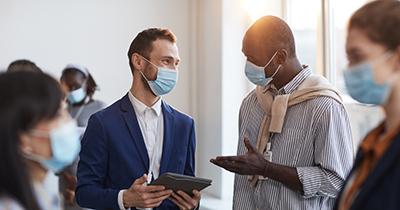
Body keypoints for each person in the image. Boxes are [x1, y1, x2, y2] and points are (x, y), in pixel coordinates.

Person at [210, 15, 354, 210]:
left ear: (280, 57)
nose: (248, 65)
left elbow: (338, 181)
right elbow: (245, 181)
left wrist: (267, 169)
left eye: (253, 59)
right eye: (246, 57)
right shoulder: (251, 103)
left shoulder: (324, 106)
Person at [76, 28, 201, 210]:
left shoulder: (185, 124)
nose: (173, 71)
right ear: (138, 62)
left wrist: (193, 205)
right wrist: (125, 198)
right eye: (166, 61)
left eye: (176, 64)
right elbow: (84, 192)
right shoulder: (102, 123)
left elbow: (188, 187)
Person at [334, 1, 400, 209]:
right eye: (348, 58)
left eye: (358, 57)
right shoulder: (372, 142)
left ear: (397, 58)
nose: (349, 69)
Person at [0, 71, 81, 210]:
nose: (70, 122)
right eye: (57, 116)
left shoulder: (40, 194)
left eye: (66, 111)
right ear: (23, 140)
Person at [59, 64, 107, 210]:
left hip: (89, 178)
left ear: (86, 83)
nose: (72, 90)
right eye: (68, 87)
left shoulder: (100, 108)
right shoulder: (62, 109)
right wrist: (67, 178)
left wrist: (80, 181)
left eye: (76, 86)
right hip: (65, 178)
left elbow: (106, 147)